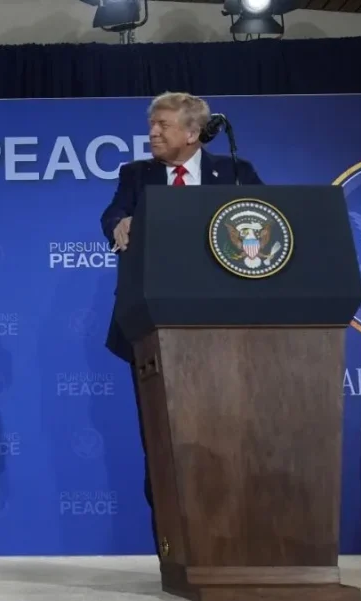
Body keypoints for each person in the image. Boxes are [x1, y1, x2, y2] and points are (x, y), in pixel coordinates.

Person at [98, 92, 263, 554]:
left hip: (226, 330)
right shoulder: (136, 175)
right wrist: (119, 223)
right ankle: (174, 553)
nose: (152, 133)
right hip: (152, 327)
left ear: (192, 134)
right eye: (152, 125)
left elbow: (268, 222)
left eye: (163, 126)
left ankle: (234, 544)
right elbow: (112, 213)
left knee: (229, 437)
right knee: (163, 441)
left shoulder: (234, 172)